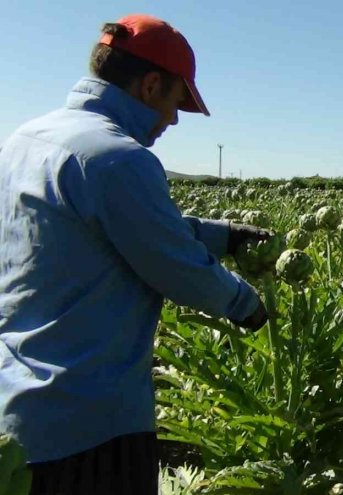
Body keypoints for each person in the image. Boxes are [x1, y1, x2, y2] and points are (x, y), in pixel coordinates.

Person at [0, 14, 271, 494]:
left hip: (17, 410)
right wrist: (246, 305)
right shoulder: (118, 157)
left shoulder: (23, 140)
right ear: (150, 85)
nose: (173, 120)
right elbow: (176, 266)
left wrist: (222, 235)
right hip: (89, 421)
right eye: (175, 102)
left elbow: (113, 229)